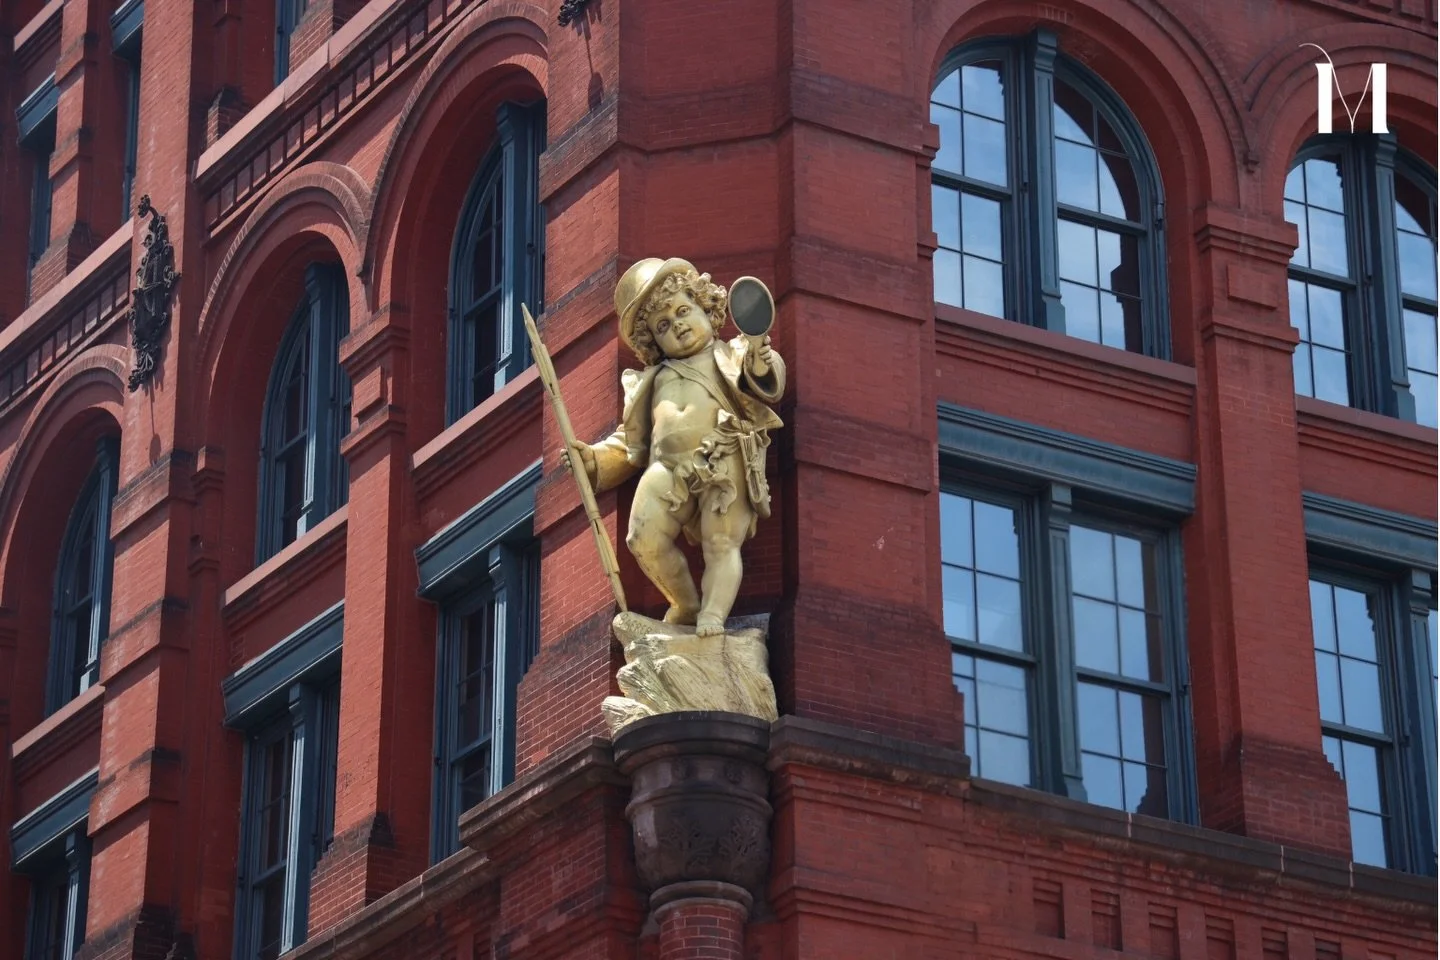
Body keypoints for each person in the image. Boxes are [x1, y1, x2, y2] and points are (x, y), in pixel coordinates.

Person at [565, 258, 785, 637]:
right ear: (654, 341)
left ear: (705, 306)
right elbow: (631, 441)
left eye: (683, 311)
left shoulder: (731, 353)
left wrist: (761, 361)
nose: (677, 325)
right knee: (641, 538)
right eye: (663, 325)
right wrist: (594, 459)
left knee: (721, 543)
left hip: (724, 455)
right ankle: (685, 603)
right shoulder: (651, 380)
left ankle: (712, 616)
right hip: (666, 468)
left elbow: (763, 378)